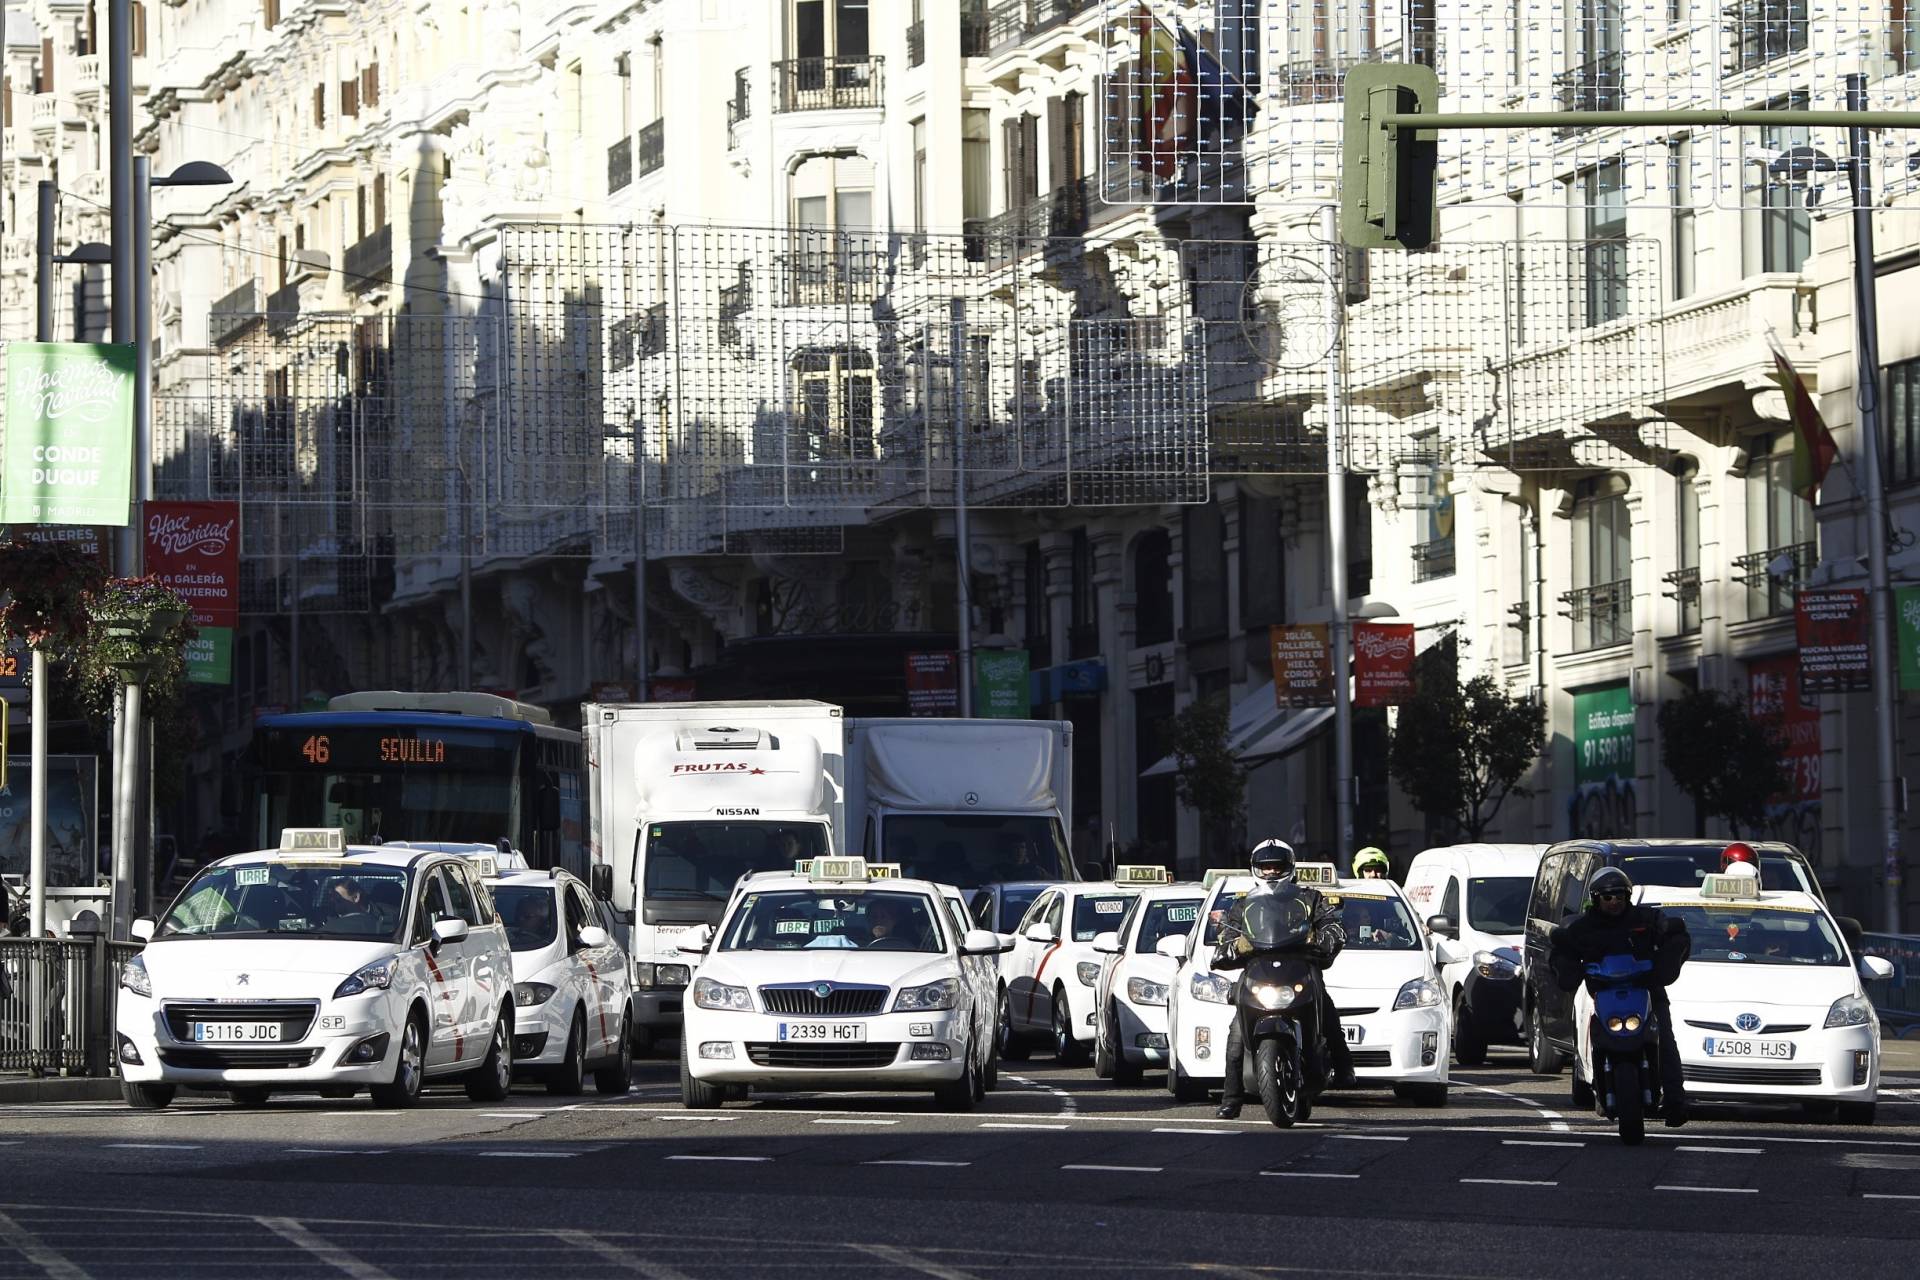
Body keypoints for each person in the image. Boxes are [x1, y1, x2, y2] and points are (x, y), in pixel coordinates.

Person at [1212, 839, 1353, 1119]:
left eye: (1277, 867)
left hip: (1301, 965)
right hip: (1258, 970)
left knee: (1326, 1008)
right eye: (1265, 868)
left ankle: (1344, 1067)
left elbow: (1333, 925)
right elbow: (1226, 938)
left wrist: (1328, 937)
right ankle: (1231, 1098)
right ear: (1255, 870)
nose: (1272, 873)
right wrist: (1231, 947)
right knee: (1236, 1034)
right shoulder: (1242, 906)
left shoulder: (1310, 898)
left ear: (1289, 868)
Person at [1548, 865, 1691, 1129]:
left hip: (1646, 991)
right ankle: (1599, 1087)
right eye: (1607, 897)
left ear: (1628, 897)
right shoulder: (1582, 927)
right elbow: (1562, 948)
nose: (1614, 902)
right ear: (1596, 899)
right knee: (1596, 1036)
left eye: (1619, 896)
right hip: (1605, 995)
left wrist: (1667, 953)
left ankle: (1675, 1102)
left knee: (1666, 1041)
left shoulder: (1645, 920)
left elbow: (1673, 933)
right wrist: (1567, 962)